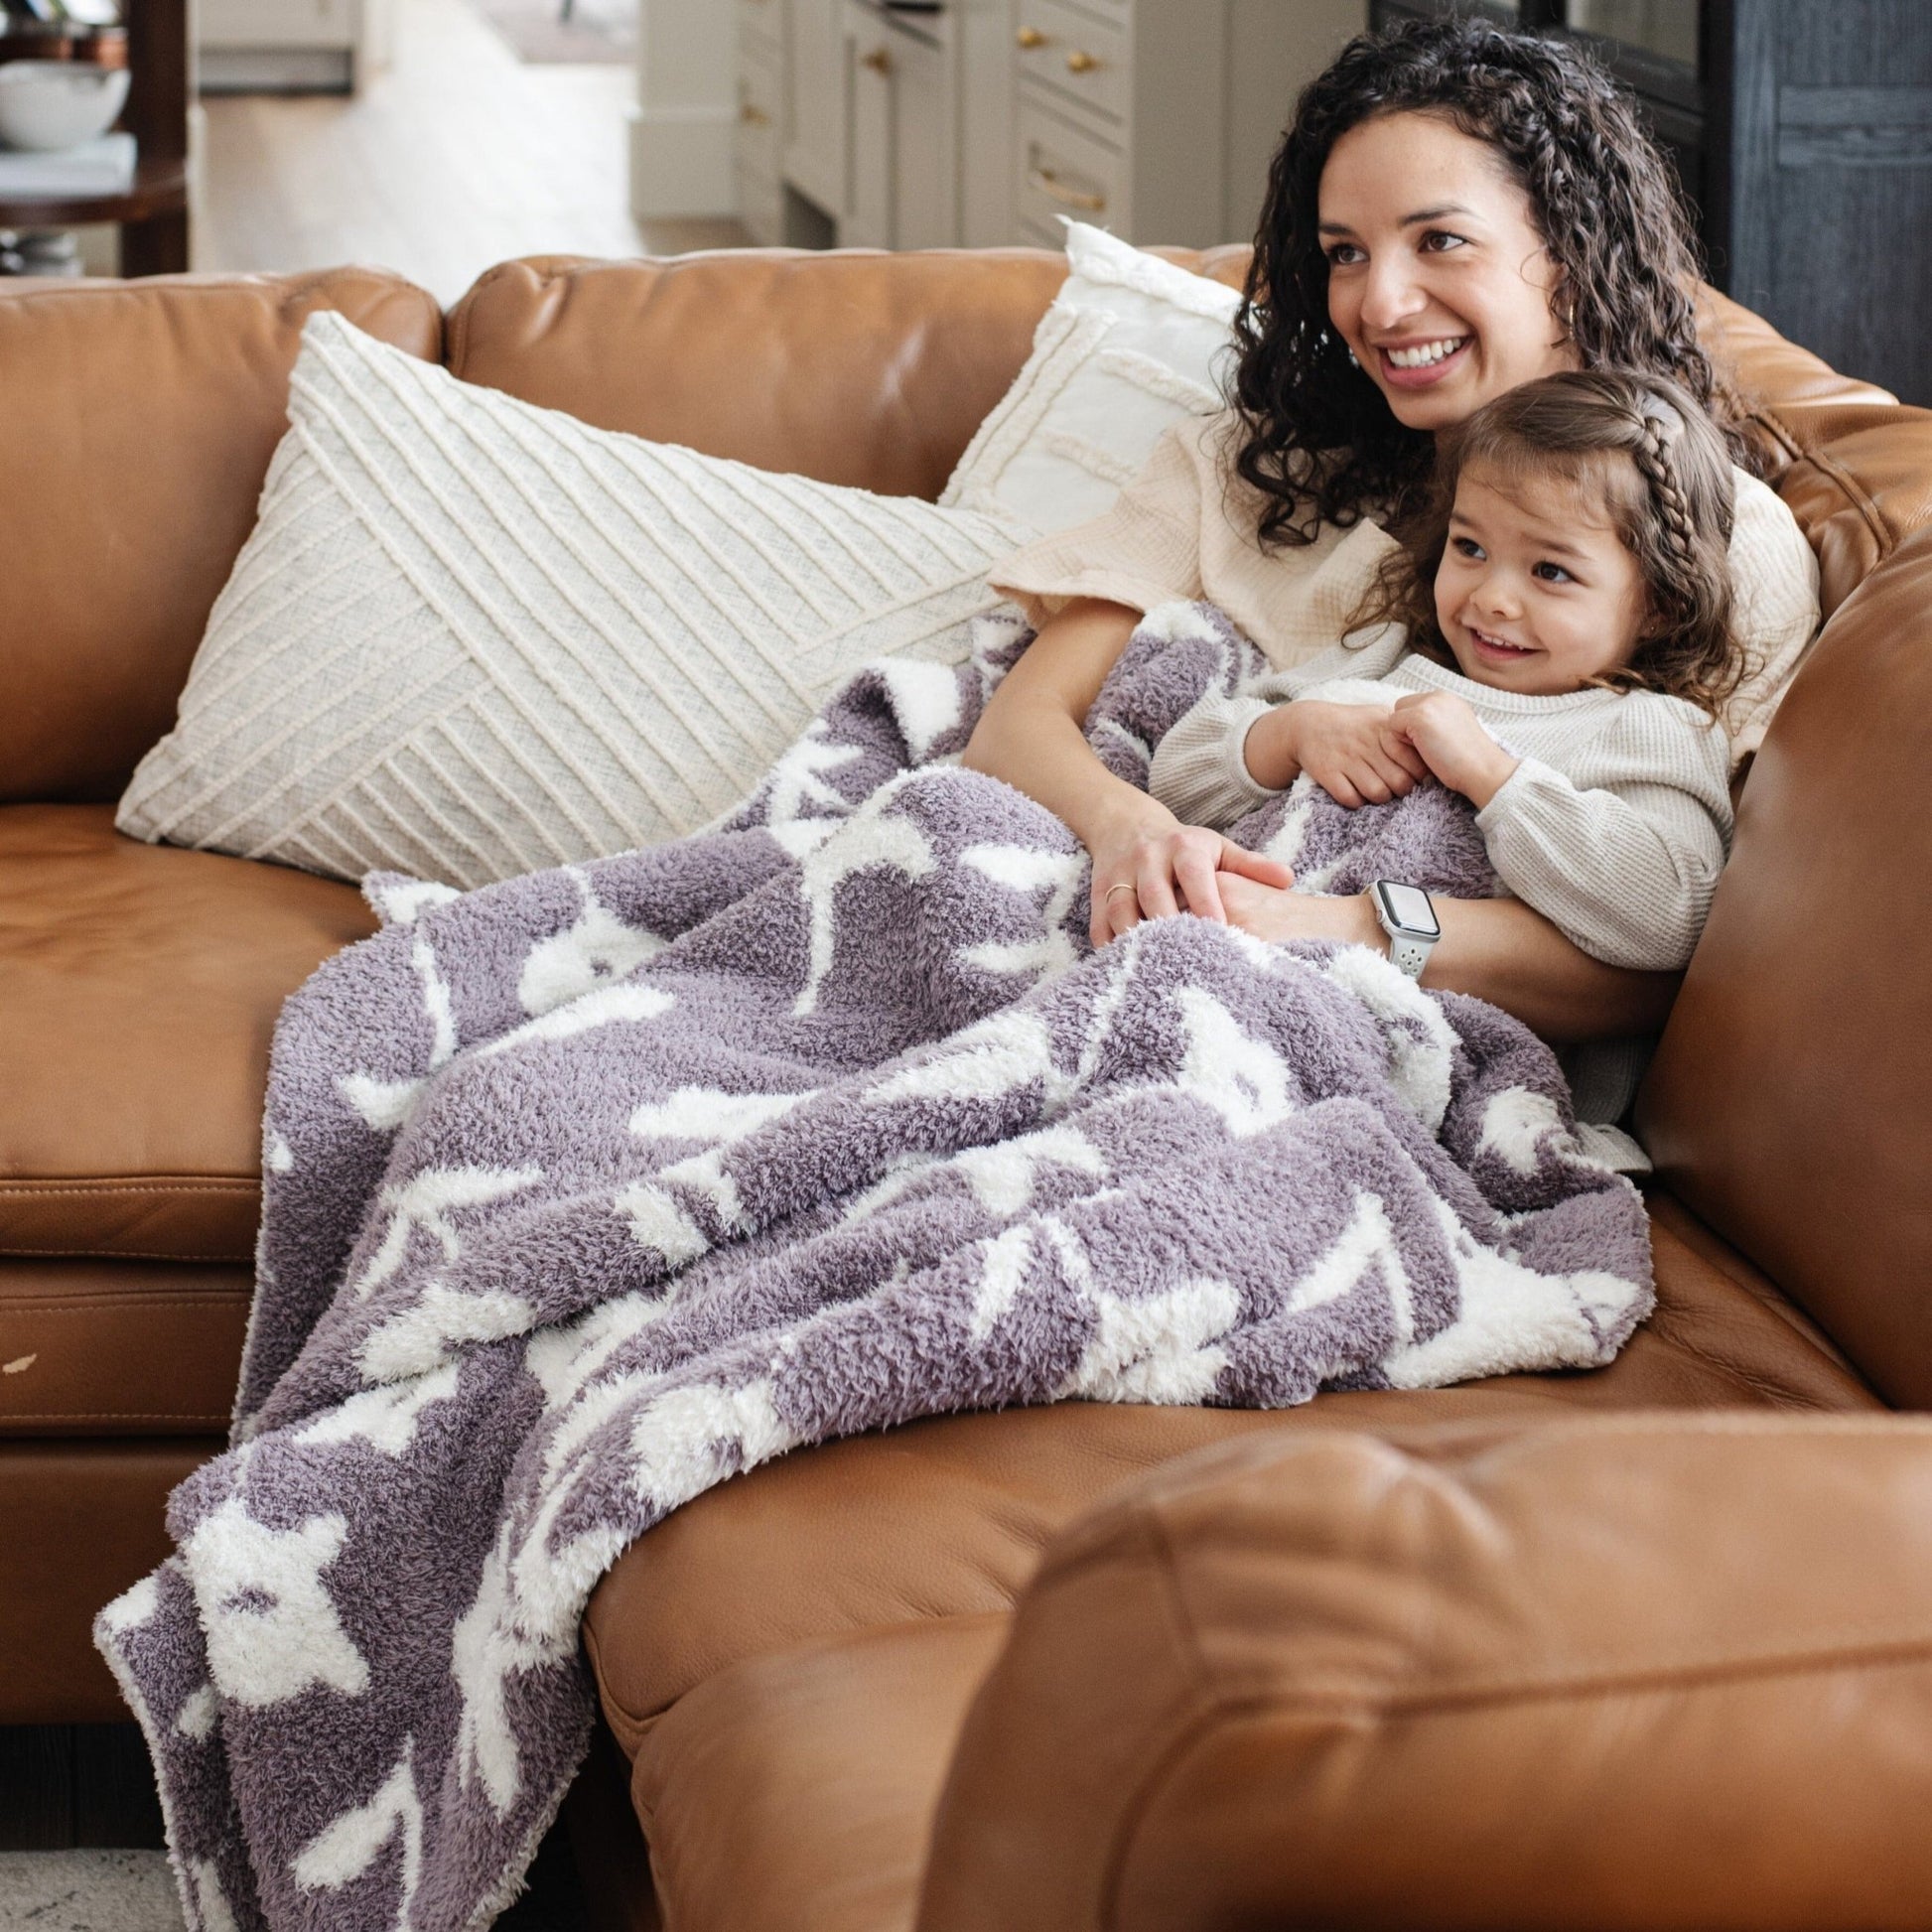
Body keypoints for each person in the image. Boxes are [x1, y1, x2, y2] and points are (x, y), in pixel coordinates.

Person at [961, 16, 1818, 1068]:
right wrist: (1126, 830)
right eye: (1342, 255)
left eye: (1438, 240)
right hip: (1117, 938)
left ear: (1566, 243)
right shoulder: (1246, 468)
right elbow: (1019, 728)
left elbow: (1678, 943)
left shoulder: (1723, 539)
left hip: (1336, 1022)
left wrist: (1332, 930)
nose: (1379, 301)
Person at [1147, 368, 1738, 1123]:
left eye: (1551, 571)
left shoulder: (1647, 727)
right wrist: (1289, 735)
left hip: (1437, 1081)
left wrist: (1495, 777)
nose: (1491, 596)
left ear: (1660, 603)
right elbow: (1175, 778)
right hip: (1235, 982)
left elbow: (1673, 915)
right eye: (1470, 547)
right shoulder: (1390, 661)